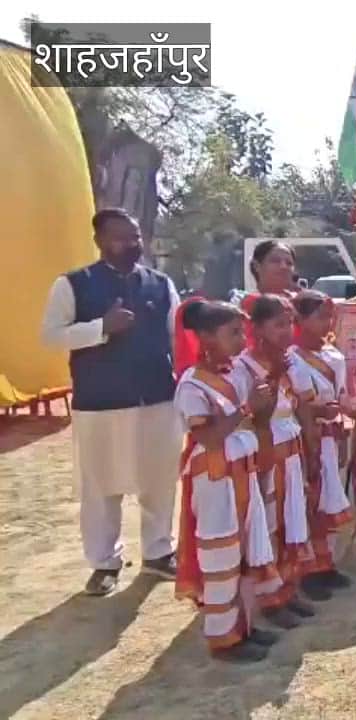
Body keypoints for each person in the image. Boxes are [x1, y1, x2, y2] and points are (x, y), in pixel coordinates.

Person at [40, 208, 183, 596]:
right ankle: (105, 562)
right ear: (100, 241)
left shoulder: (160, 283)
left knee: (159, 480)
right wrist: (101, 328)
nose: (131, 245)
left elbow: (177, 337)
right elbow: (51, 336)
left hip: (157, 399)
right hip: (100, 403)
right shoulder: (73, 284)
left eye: (136, 237)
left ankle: (159, 553)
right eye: (121, 237)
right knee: (102, 486)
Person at [172, 299, 280, 662]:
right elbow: (210, 438)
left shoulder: (236, 372)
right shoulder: (191, 384)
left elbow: (256, 417)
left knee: (246, 549)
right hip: (215, 477)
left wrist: (266, 395)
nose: (241, 339)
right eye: (233, 332)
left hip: (242, 470)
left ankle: (244, 625)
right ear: (205, 336)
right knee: (221, 554)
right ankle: (223, 638)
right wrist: (249, 407)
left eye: (242, 332)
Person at [238, 295, 320, 626]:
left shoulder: (294, 362)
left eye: (289, 324)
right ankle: (268, 598)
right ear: (256, 328)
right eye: (277, 325)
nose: (286, 332)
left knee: (292, 521)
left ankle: (288, 590)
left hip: (292, 448)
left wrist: (311, 451)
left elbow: (304, 407)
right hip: (263, 452)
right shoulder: (244, 367)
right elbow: (252, 417)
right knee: (267, 524)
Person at [289, 291, 355, 592]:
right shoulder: (290, 359)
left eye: (329, 316)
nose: (326, 322)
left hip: (333, 434)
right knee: (308, 503)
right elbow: (288, 404)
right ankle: (306, 571)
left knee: (330, 498)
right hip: (305, 436)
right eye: (319, 316)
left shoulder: (335, 356)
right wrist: (317, 412)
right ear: (299, 320)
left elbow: (342, 398)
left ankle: (326, 564)